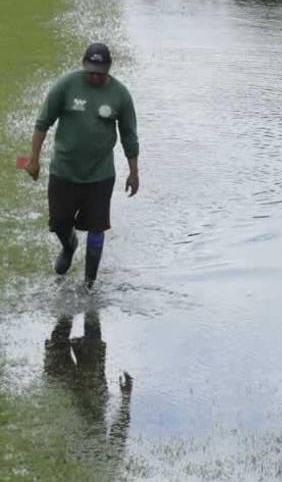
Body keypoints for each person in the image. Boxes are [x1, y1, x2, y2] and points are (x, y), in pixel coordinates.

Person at [26, 42, 139, 289]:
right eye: (92, 71)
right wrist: (33, 159)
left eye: (101, 72)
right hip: (64, 172)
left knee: (97, 228)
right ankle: (69, 246)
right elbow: (42, 123)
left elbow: (129, 135)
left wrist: (134, 171)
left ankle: (89, 284)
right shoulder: (66, 86)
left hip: (100, 175)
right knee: (59, 222)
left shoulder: (120, 95)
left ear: (109, 68)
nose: (96, 76)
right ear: (83, 64)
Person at [44, 311, 133, 464]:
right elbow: (118, 437)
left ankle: (69, 302)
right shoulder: (104, 472)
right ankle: (89, 298)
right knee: (91, 344)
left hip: (65, 398)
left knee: (58, 344)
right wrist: (125, 399)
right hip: (92, 400)